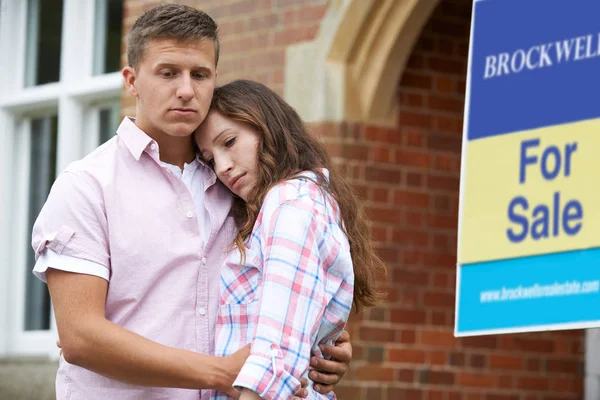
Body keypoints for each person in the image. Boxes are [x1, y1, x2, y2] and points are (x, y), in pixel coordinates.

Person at [31, 4, 351, 400]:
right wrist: (221, 373)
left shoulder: (240, 184)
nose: (186, 89)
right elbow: (80, 337)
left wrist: (322, 340)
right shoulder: (87, 186)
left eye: (199, 74)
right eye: (168, 73)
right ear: (131, 81)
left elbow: (278, 287)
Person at [195, 80, 386, 399]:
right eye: (210, 159)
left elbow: (276, 353)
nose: (223, 167)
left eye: (229, 142)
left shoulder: (289, 204)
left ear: (266, 126)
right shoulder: (283, 205)